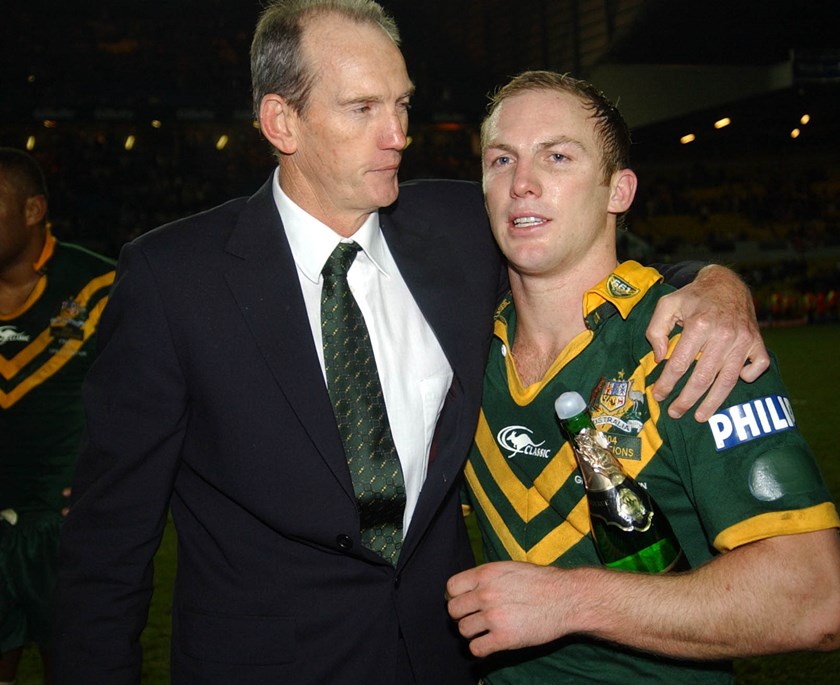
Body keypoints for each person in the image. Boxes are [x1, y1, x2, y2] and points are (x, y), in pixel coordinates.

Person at [54, 3, 767, 684]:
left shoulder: (457, 227)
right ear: (282, 120)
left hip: (444, 659)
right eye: (363, 108)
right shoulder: (174, 279)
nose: (397, 133)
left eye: (402, 104)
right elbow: (105, 549)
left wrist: (714, 284)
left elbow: (593, 250)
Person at [445, 70, 840, 684]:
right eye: (502, 160)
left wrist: (572, 602)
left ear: (618, 191)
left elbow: (815, 597)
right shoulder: (461, 351)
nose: (523, 184)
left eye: (558, 156)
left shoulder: (693, 344)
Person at [0, 148, 115, 685]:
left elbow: (152, 408)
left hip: (66, 533)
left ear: (33, 209)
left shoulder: (100, 288)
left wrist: (110, 482)